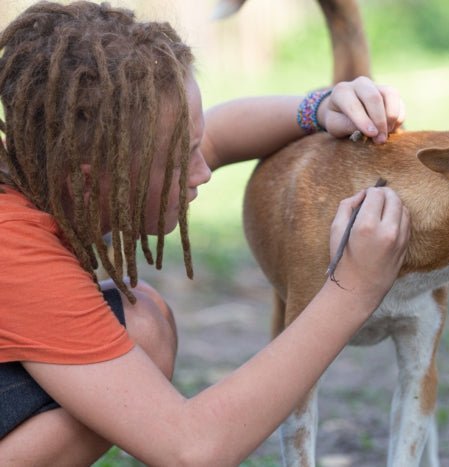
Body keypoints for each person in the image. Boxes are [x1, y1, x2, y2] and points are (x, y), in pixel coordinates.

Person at [0, 2, 409, 465]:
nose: (203, 170)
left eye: (194, 148)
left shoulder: (51, 169)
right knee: (143, 333)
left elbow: (214, 136)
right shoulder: (14, 249)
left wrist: (320, 106)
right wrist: (351, 290)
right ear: (92, 180)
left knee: (143, 326)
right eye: (182, 159)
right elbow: (190, 450)